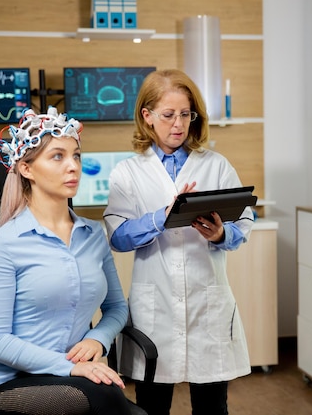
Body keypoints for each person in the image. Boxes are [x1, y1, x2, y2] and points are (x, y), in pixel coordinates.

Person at [103, 69, 254, 415]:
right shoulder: (127, 172)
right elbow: (118, 236)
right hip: (155, 306)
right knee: (153, 407)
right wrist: (162, 217)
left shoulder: (215, 165)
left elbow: (244, 221)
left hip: (208, 303)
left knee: (213, 407)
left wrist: (220, 234)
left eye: (186, 114)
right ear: (147, 116)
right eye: (169, 115)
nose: (178, 124)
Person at [0, 107, 132, 415]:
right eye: (57, 156)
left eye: (76, 156)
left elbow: (117, 308)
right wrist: (68, 367)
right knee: (107, 396)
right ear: (26, 169)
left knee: (104, 394)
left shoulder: (93, 234)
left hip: (73, 376)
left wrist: (98, 340)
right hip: (10, 383)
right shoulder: (6, 242)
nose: (73, 166)